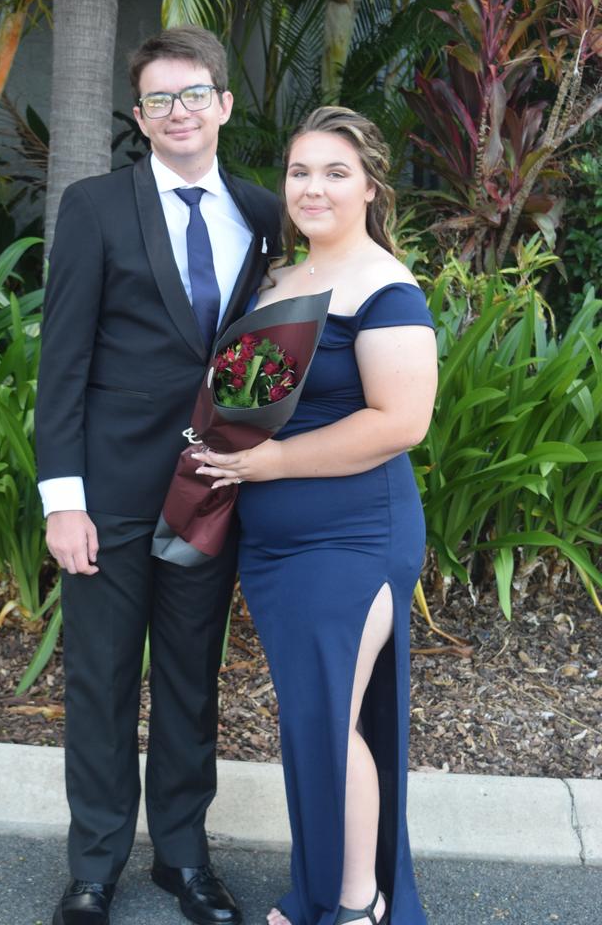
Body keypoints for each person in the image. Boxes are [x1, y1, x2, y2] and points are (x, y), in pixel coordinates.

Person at [35, 25, 280, 925]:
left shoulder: (260, 211)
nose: (178, 112)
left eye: (193, 94)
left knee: (189, 677)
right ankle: (95, 863)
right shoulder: (98, 206)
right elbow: (60, 363)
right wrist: (64, 501)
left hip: (212, 489)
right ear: (139, 117)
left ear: (221, 103)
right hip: (109, 494)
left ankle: (184, 858)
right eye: (158, 100)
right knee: (99, 678)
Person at [193, 107, 438, 925]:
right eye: (300, 171)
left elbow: (400, 423)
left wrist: (270, 464)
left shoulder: (388, 290)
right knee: (312, 718)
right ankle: (321, 892)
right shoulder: (276, 280)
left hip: (355, 537)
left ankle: (358, 904)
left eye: (336, 172)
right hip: (274, 544)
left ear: (371, 186)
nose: (313, 187)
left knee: (330, 720)